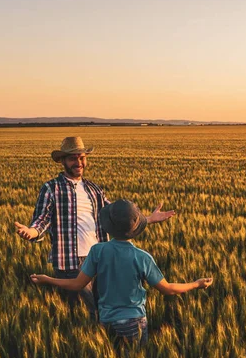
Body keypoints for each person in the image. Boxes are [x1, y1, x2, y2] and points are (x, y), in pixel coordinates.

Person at [15, 137, 175, 321]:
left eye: (82, 157)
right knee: (81, 313)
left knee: (103, 308)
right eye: (73, 158)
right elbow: (41, 220)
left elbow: (116, 216)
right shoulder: (51, 188)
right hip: (70, 262)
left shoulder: (93, 189)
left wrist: (148, 219)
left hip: (100, 258)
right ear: (63, 161)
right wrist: (32, 232)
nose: (79, 163)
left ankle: (108, 342)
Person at [30, 199, 213, 346]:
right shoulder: (142, 257)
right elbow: (167, 289)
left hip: (107, 321)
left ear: (108, 227)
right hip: (135, 322)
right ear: (136, 229)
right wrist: (196, 284)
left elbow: (77, 284)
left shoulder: (97, 251)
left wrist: (48, 279)